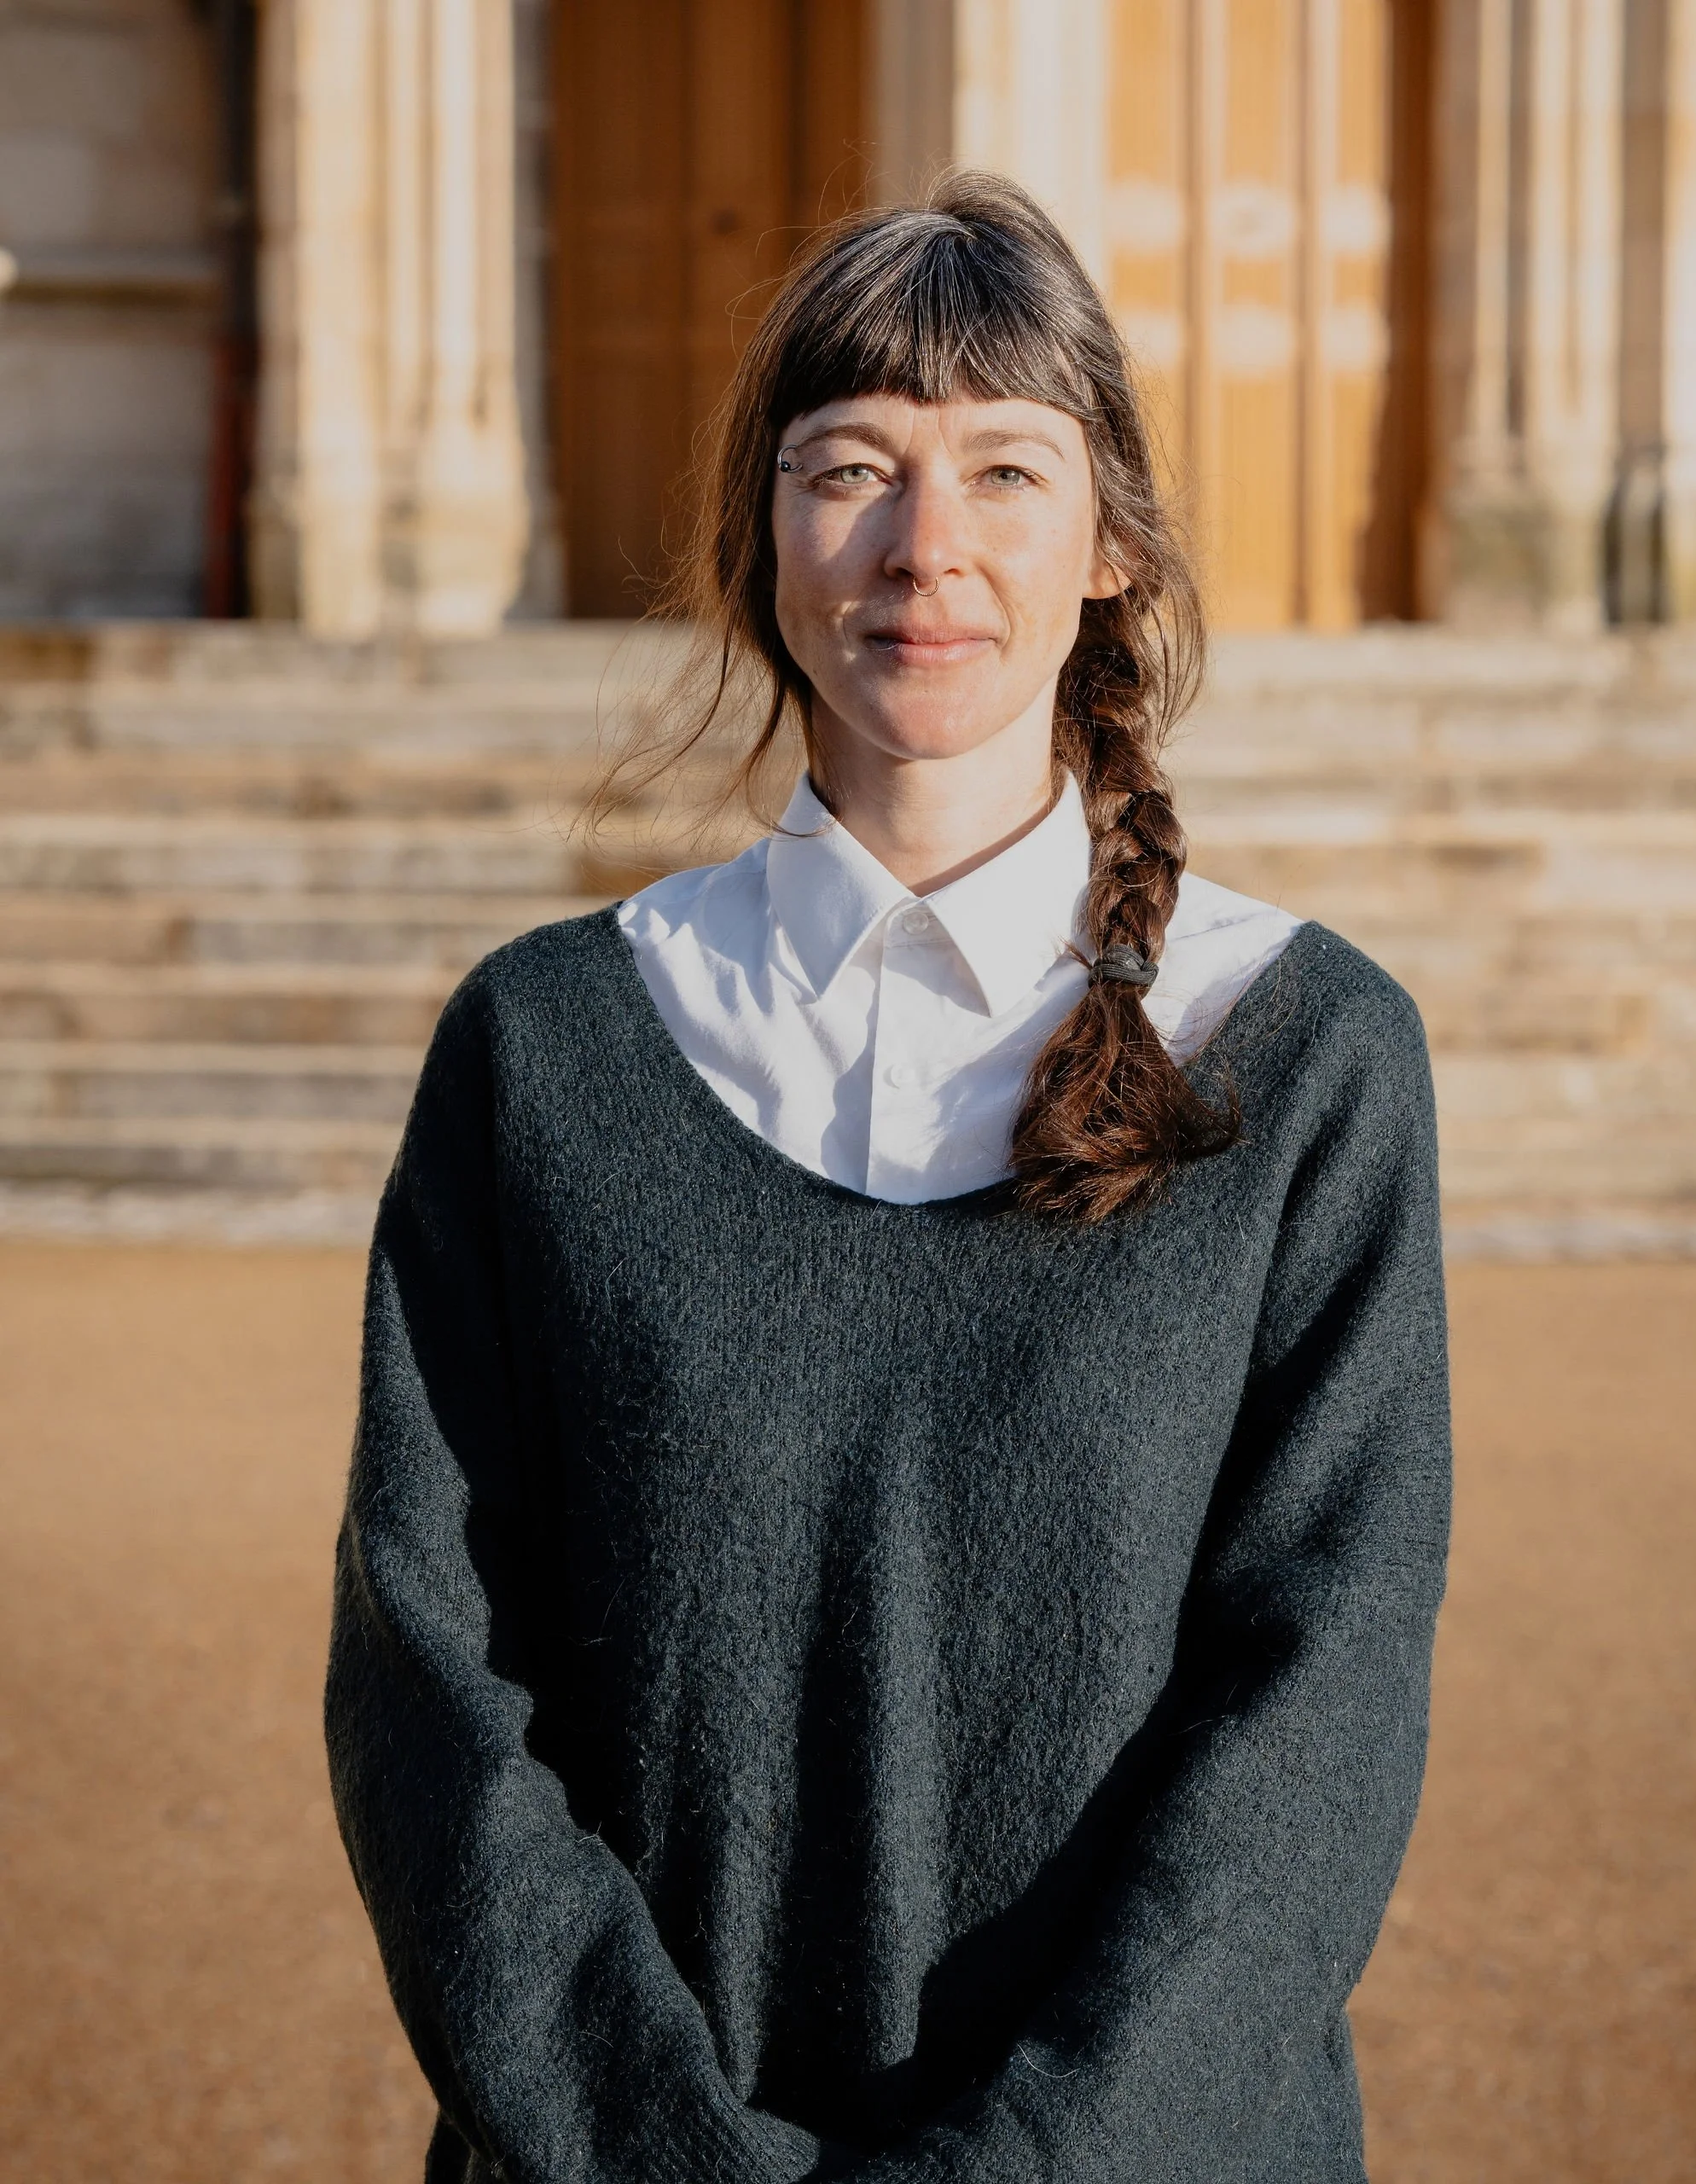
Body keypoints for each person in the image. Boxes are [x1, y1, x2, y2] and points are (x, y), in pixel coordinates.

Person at [326, 171, 1450, 2184]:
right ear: (762, 532)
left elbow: (1317, 1717)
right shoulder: (548, 1047)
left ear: (1110, 541)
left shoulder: (1305, 1054)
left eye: (1006, 469)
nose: (926, 549)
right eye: (850, 465)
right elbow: (428, 1679)